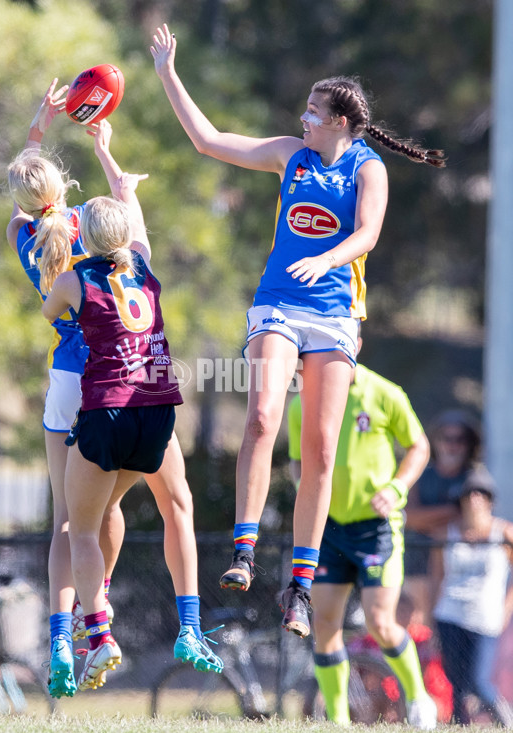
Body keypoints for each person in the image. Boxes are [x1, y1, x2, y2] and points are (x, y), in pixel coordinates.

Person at [151, 23, 446, 635]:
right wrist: (167, 75)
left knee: (320, 449)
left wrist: (330, 258)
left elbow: (366, 234)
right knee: (262, 418)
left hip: (335, 313)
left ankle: (301, 587)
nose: (303, 118)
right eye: (305, 110)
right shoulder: (292, 154)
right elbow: (209, 141)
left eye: (313, 111)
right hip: (280, 305)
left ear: (340, 121)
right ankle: (244, 549)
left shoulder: (368, 170)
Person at [7, 82, 222, 697]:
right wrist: (105, 148)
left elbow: (29, 190)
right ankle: (181, 621)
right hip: (143, 381)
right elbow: (122, 212)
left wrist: (40, 126)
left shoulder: (34, 239)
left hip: (78, 381)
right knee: (153, 503)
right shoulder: (110, 241)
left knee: (71, 521)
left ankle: (72, 634)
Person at [287, 335, 437, 728]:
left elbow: (419, 446)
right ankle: (337, 721)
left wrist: (397, 487)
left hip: (376, 530)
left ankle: (419, 698)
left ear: (357, 342)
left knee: (379, 622)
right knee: (324, 623)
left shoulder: (385, 393)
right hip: (330, 529)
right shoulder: (304, 401)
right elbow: (296, 465)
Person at [432, 465, 513, 726]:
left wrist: (506, 608)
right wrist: (430, 613)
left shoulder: (504, 533)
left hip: (485, 617)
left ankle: (506, 726)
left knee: (480, 681)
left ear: (490, 500)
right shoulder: (447, 533)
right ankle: (460, 731)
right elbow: (438, 577)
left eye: (481, 493)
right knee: (457, 683)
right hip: (450, 614)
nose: (475, 499)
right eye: (469, 493)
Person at [404, 409, 481, 625]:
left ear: (470, 444)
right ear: (435, 441)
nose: (453, 445)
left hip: (457, 568)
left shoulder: (475, 478)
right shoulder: (420, 473)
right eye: (446, 438)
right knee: (418, 625)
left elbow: (473, 522)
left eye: (460, 439)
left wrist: (426, 520)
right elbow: (407, 517)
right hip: (417, 560)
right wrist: (450, 513)